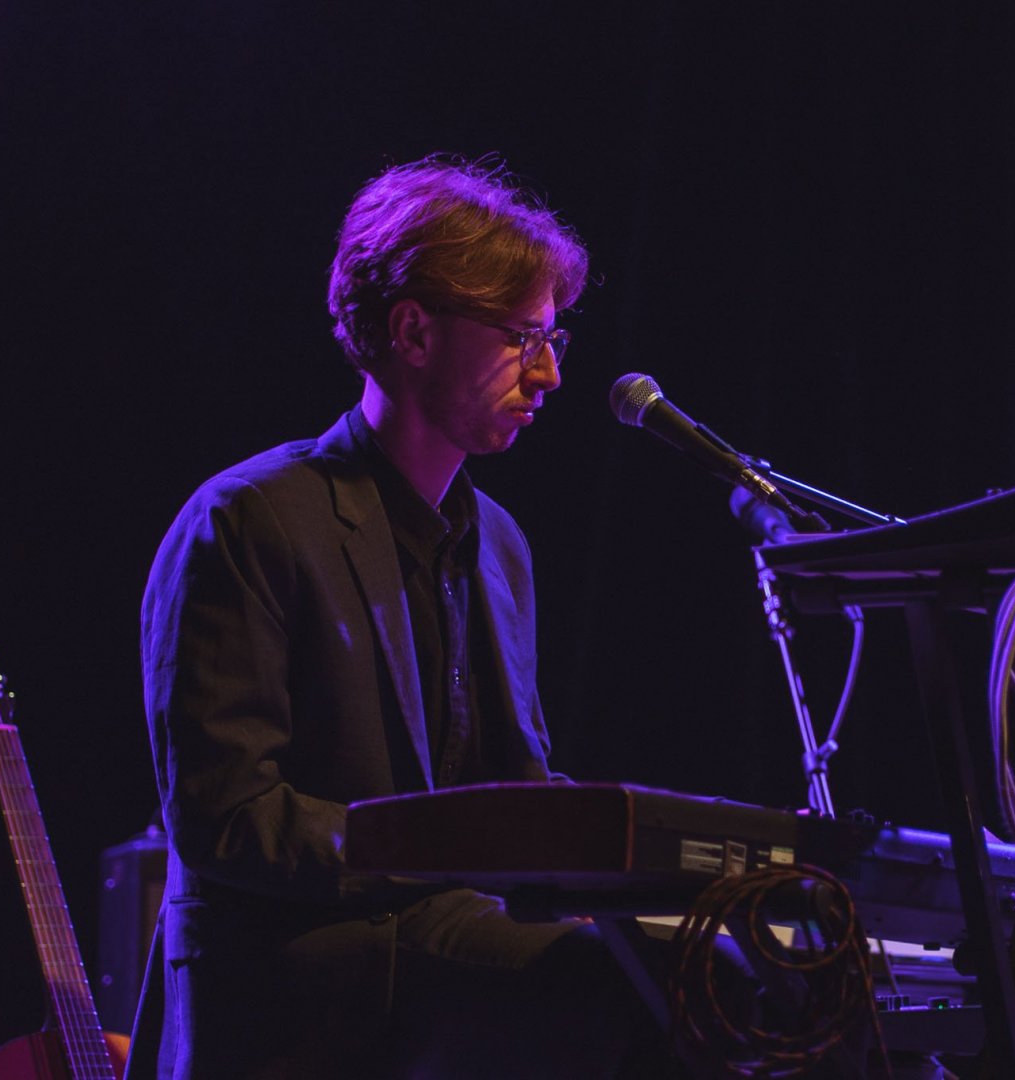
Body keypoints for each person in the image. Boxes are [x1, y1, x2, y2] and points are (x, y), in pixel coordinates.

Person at [126, 156, 665, 1079]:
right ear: (414, 331)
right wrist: (437, 851)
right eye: (517, 337)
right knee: (625, 994)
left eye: (553, 340)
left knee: (714, 977)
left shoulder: (500, 545)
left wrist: (650, 867)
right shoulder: (249, 519)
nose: (547, 374)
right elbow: (226, 817)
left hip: (453, 947)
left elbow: (517, 788)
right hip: (319, 973)